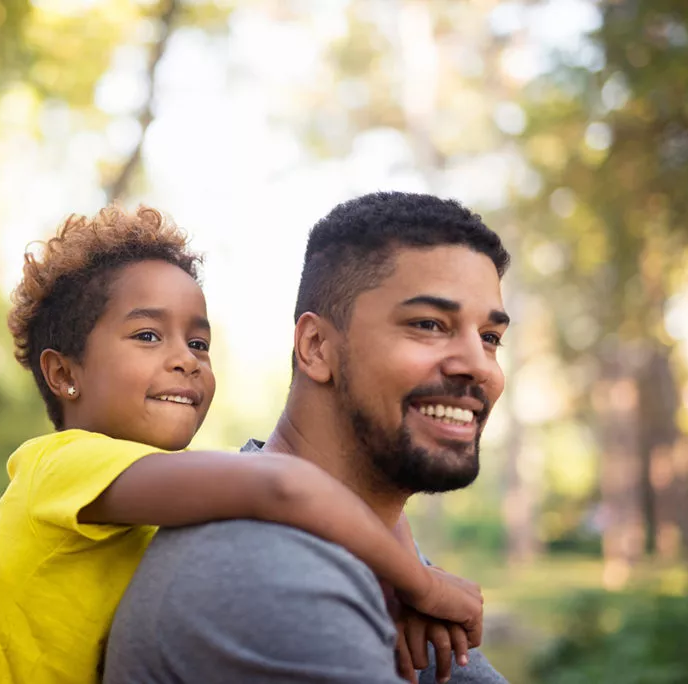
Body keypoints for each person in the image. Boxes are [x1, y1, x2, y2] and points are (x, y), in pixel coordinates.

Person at [0, 205, 484, 684]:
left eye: (199, 341)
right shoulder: (61, 466)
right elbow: (288, 487)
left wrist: (396, 579)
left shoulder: (155, 487)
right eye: (148, 335)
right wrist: (423, 585)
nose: (186, 359)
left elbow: (352, 491)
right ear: (63, 373)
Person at [104, 192, 513, 684]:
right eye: (428, 325)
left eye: (490, 337)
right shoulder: (266, 573)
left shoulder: (380, 555)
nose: (477, 366)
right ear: (317, 347)